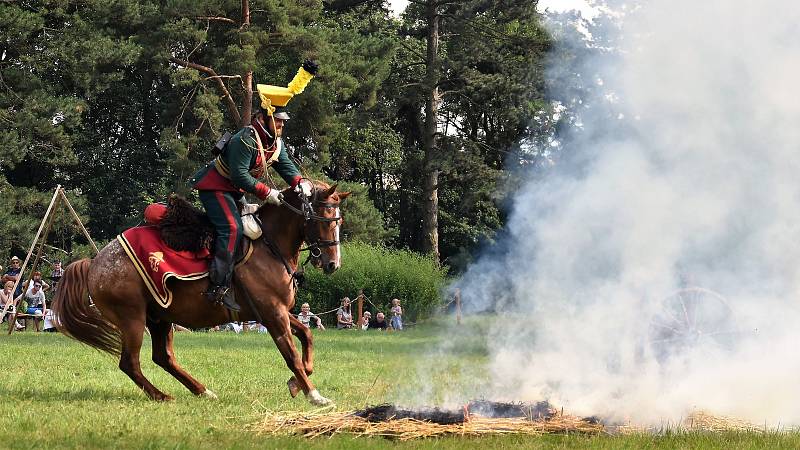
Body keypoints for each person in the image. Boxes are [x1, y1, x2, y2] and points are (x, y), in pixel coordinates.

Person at [190, 59, 319, 312]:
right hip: (215, 189)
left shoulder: (274, 141)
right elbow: (239, 176)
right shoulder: (245, 139)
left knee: (258, 229)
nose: (282, 125)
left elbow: (285, 166)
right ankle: (218, 286)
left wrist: (299, 183)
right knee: (232, 229)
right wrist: (268, 192)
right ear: (265, 116)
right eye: (278, 120)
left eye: (283, 121)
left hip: (233, 193)